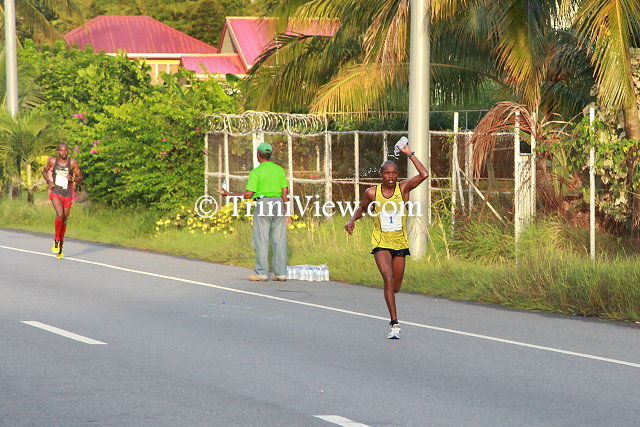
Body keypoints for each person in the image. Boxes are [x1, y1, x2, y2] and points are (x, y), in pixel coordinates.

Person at [345, 141, 428, 339]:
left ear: (397, 175)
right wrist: (352, 220)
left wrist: (409, 153)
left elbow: (424, 174)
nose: (391, 176)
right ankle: (394, 324)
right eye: (387, 173)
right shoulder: (372, 192)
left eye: (394, 173)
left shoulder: (403, 189)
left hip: (400, 243)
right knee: (388, 278)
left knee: (395, 286)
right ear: (381, 174)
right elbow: (362, 208)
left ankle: (392, 300)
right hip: (381, 242)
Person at [217, 142, 292, 281]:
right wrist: (287, 212)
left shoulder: (256, 172)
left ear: (258, 155)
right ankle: (280, 274)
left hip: (263, 204)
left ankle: (262, 273)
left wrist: (229, 194)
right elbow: (285, 191)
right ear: (269, 155)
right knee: (279, 239)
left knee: (261, 239)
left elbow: (248, 195)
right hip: (278, 204)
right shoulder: (279, 170)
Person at [42, 143, 83, 259]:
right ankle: (56, 239)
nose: (63, 152)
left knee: (64, 220)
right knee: (59, 214)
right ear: (58, 151)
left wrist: (73, 178)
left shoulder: (72, 162)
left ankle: (60, 245)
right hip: (55, 192)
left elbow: (80, 176)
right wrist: (49, 182)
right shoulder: (52, 161)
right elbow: (44, 171)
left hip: (67, 194)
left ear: (68, 151)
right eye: (61, 150)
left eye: (65, 150)